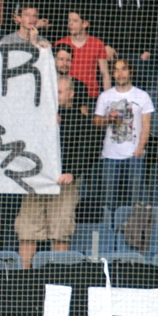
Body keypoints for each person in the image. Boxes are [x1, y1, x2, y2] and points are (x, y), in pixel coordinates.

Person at [17, 72, 99, 266]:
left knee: (61, 229)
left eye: (60, 92)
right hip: (36, 182)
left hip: (64, 184)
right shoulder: (35, 117)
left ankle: (58, 277)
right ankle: (22, 279)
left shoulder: (81, 120)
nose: (55, 96)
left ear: (71, 94)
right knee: (28, 230)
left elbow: (92, 150)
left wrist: (72, 172)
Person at [94, 58, 154, 210]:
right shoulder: (105, 96)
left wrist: (139, 150)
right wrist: (109, 118)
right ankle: (109, 231)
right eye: (117, 70)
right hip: (110, 155)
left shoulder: (143, 96)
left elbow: (146, 126)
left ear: (130, 72)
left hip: (134, 155)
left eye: (124, 69)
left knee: (134, 202)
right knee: (108, 201)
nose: (120, 73)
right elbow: (96, 122)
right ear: (113, 74)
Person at [99, 0, 155, 80]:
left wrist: (148, 49)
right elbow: (101, 22)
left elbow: (151, 23)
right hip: (115, 53)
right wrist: (106, 45)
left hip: (138, 54)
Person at [55, 9, 111, 100]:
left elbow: (105, 74)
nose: (70, 23)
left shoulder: (97, 44)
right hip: (67, 98)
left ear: (85, 24)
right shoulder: (60, 44)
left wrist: (108, 100)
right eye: (69, 20)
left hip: (91, 96)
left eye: (75, 20)